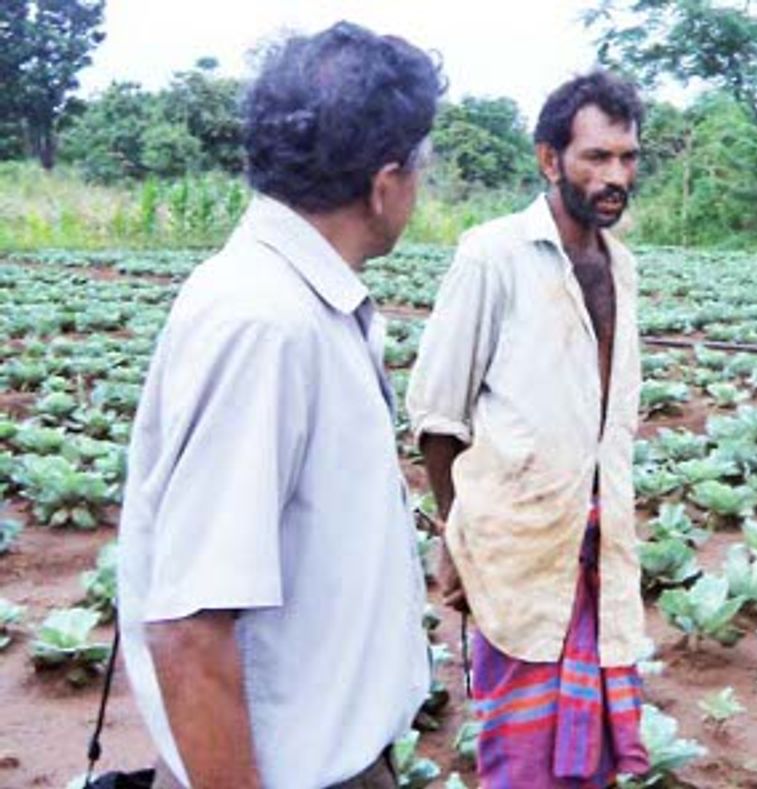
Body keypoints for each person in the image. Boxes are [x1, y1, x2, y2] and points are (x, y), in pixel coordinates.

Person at [116, 22, 444, 789]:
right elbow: (190, 628)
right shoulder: (265, 323)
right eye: (421, 166)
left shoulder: (295, 301)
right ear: (384, 183)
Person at [406, 71, 652, 786]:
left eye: (627, 158)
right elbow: (439, 418)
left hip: (600, 546)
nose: (615, 176)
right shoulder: (494, 254)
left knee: (591, 755)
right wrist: (456, 536)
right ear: (550, 159)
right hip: (516, 546)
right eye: (596, 157)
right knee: (519, 756)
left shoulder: (622, 266)